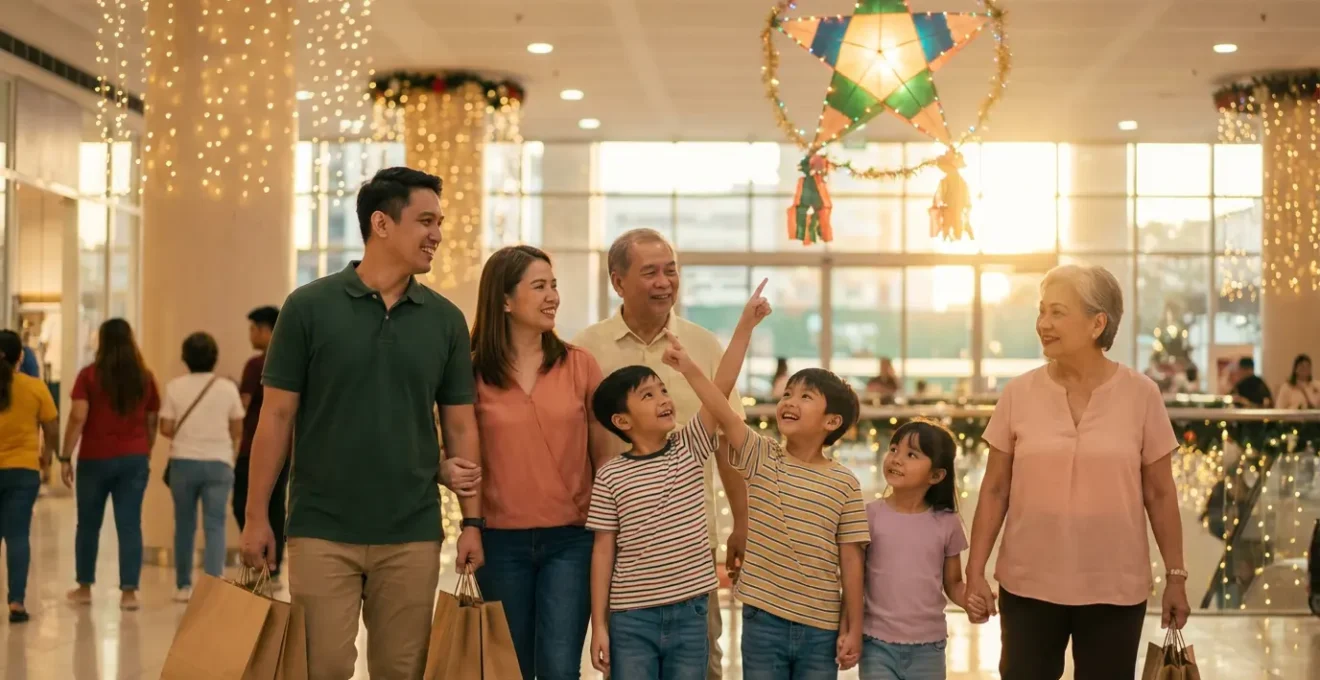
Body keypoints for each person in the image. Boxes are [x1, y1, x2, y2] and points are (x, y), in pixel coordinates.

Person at [239, 167, 484, 680]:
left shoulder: (445, 320)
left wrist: (472, 522)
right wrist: (256, 515)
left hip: (413, 530)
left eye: (439, 221)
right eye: (425, 221)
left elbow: (460, 426)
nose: (437, 234)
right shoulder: (308, 308)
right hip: (321, 526)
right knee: (322, 667)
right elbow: (275, 417)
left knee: (403, 669)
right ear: (381, 223)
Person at [965, 264, 1189, 680]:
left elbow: (1160, 494)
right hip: (1028, 582)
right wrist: (974, 570)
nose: (1043, 324)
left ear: (1097, 323)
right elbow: (995, 489)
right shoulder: (1018, 393)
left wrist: (1176, 576)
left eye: (1057, 313)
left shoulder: (1142, 395)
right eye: (1041, 312)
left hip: (1114, 586)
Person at [572, 228, 748, 680]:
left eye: (671, 271)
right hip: (625, 560)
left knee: (703, 666)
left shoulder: (702, 346)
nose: (664, 282)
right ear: (618, 281)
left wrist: (742, 523)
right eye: (649, 272)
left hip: (691, 556)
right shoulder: (584, 349)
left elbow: (729, 439)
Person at [674, 280, 869, 678]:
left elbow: (852, 559)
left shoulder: (844, 483)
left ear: (832, 422)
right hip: (763, 623)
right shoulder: (761, 455)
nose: (789, 402)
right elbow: (718, 402)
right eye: (787, 394)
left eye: (805, 397)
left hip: (820, 625)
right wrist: (739, 331)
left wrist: (854, 626)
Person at [470, 245, 614, 679]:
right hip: (497, 544)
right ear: (505, 300)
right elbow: (454, 450)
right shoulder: (470, 370)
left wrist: (613, 535)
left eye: (554, 285)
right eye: (539, 286)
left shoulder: (580, 366)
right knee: (510, 669)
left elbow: (605, 458)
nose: (553, 295)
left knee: (558, 667)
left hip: (571, 542)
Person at [861, 420, 983, 680]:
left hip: (929, 648)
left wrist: (972, 601)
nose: (896, 459)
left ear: (937, 475)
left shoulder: (947, 522)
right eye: (894, 449)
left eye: (911, 454)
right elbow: (855, 578)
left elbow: (953, 583)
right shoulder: (869, 516)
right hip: (876, 644)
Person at [63, 318, 160, 611]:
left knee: (88, 524)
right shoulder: (144, 377)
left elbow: (78, 415)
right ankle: (129, 593)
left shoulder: (89, 375)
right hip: (134, 458)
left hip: (94, 459)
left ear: (102, 342)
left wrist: (65, 455)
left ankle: (84, 588)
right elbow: (152, 420)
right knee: (130, 524)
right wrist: (146, 449)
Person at [160, 332, 244, 602]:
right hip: (219, 463)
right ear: (214, 358)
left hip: (184, 463)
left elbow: (166, 427)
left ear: (185, 358)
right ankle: (213, 588)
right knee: (215, 525)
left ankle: (183, 586)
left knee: (184, 524)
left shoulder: (175, 387)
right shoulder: (227, 388)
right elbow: (237, 428)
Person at [0, 330, 61, 622]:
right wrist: (47, 459)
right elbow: (51, 427)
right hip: (23, 471)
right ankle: (16, 603)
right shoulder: (35, 387)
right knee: (17, 536)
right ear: (20, 357)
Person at [232, 305, 290, 581]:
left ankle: (258, 555)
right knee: (277, 503)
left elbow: (243, 405)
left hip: (254, 445)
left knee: (245, 502)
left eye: (253, 329)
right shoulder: (288, 360)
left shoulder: (256, 364)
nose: (251, 335)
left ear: (266, 331)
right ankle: (274, 564)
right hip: (286, 445)